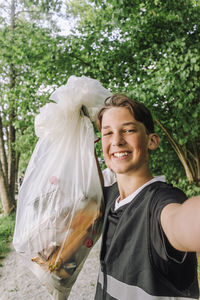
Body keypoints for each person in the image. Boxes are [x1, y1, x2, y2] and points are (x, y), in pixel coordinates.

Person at [94, 94, 200, 300]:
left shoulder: (160, 202)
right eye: (108, 133)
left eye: (128, 130)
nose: (116, 140)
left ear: (152, 140)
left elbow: (182, 221)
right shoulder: (112, 196)